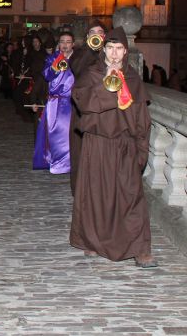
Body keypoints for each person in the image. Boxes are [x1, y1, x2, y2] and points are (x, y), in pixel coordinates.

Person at [70, 27, 156, 268]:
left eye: (119, 49)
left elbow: (142, 117)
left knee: (131, 196)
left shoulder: (133, 78)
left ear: (125, 51)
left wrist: (141, 147)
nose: (115, 54)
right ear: (103, 50)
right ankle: (93, 241)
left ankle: (140, 248)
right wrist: (108, 82)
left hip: (125, 144)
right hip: (98, 143)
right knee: (96, 194)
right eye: (110, 48)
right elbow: (82, 102)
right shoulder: (92, 74)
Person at [68, 20, 106, 195]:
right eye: (93, 32)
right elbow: (76, 69)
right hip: (82, 110)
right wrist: (91, 49)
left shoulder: (110, 52)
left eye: (100, 32)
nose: (97, 35)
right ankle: (80, 189)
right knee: (80, 150)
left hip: (103, 110)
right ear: (87, 36)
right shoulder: (80, 53)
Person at [33, 31, 74, 175]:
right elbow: (46, 75)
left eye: (68, 42)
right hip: (55, 102)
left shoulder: (78, 59)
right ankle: (54, 161)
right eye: (62, 41)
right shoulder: (52, 58)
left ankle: (68, 163)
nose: (65, 44)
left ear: (73, 44)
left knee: (68, 133)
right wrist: (57, 63)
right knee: (53, 133)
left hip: (71, 102)